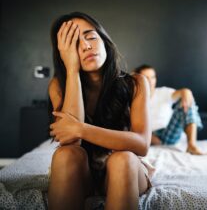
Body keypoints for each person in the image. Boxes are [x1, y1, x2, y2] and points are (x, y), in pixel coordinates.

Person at [48, 12, 153, 210]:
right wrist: (72, 69)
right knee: (65, 155)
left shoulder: (136, 83)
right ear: (64, 53)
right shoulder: (58, 86)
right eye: (74, 44)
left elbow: (141, 144)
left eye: (91, 36)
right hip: (84, 173)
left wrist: (81, 128)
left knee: (123, 159)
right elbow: (71, 141)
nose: (86, 46)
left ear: (104, 40)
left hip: (125, 170)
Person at [133, 64, 203, 155]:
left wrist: (186, 91)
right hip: (148, 136)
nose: (150, 81)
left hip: (168, 133)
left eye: (153, 77)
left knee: (186, 102)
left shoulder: (163, 92)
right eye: (146, 78)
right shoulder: (134, 99)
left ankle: (191, 144)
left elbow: (183, 93)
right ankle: (150, 139)